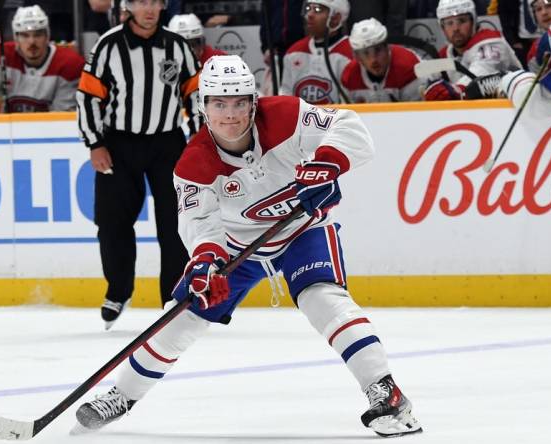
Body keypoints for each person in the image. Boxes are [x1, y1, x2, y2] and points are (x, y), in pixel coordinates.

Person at [71, 54, 423, 438]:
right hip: (238, 250)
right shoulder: (192, 165)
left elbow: (348, 127)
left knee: (321, 298)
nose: (231, 114)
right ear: (203, 106)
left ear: (254, 101)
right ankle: (122, 396)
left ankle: (387, 393)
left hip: (302, 232)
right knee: (182, 316)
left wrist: (328, 162)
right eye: (219, 104)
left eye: (240, 102)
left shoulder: (286, 115)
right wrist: (206, 264)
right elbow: (199, 225)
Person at [77, 0, 199, 329]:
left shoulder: (177, 46)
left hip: (167, 143)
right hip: (119, 143)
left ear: (163, 6)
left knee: (175, 224)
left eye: (154, 2)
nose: (148, 9)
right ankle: (118, 289)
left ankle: (173, 299)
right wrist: (95, 143)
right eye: (141, 1)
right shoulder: (108, 45)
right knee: (112, 221)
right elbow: (88, 96)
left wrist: (201, 143)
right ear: (129, 6)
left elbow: (195, 94)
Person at [423, 0, 522, 101]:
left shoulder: (491, 42)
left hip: (511, 108)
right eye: (449, 23)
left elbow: (479, 75)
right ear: (442, 27)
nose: (456, 28)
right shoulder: (446, 53)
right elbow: (424, 79)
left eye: (461, 21)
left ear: (473, 21)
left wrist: (454, 90)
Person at [280, 0, 353, 104]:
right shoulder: (293, 52)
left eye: (318, 10)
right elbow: (286, 98)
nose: (309, 15)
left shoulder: (351, 54)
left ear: (336, 18)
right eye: (308, 8)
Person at [341, 18, 423, 102]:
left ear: (387, 48)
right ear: (357, 57)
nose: (373, 60)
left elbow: (417, 113)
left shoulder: (408, 67)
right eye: (366, 53)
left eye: (378, 50)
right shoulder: (349, 76)